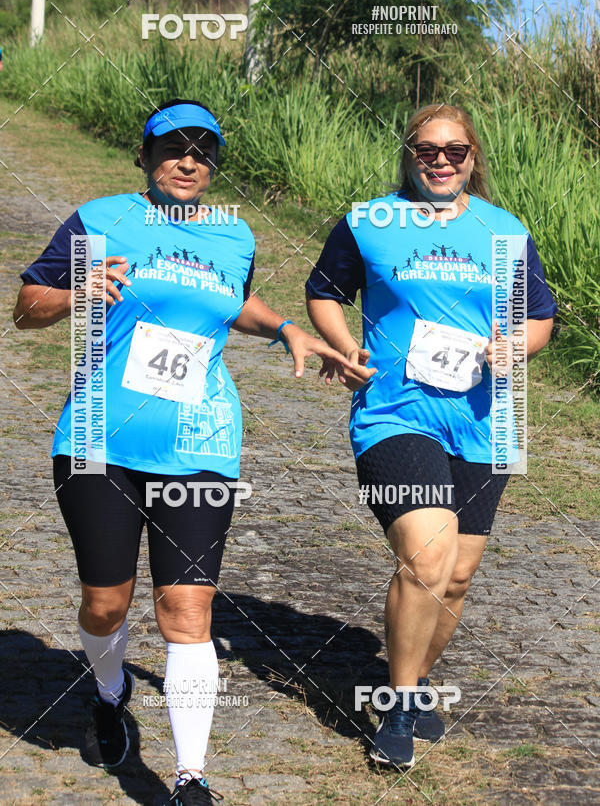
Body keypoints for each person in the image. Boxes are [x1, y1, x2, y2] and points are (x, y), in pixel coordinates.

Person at [13, 98, 352, 805]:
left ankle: (191, 778)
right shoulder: (99, 219)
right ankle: (109, 692)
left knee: (186, 610)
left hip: (201, 443)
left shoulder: (234, 234)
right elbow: (26, 306)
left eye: (203, 151)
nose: (188, 161)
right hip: (99, 443)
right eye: (173, 148)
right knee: (106, 606)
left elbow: (236, 301)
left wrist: (285, 327)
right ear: (145, 155)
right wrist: (76, 292)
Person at [305, 103, 557, 769]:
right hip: (396, 412)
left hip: (484, 422)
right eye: (427, 150)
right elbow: (324, 291)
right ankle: (399, 699)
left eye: (455, 150)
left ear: (474, 156)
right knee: (426, 555)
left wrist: (517, 350)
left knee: (457, 577)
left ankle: (409, 687)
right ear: (409, 154)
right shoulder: (370, 221)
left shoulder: (505, 232)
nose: (440, 160)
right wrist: (343, 346)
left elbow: (539, 317)